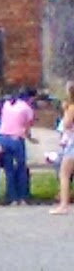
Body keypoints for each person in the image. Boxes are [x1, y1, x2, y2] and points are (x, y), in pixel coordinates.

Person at [0, 89, 35, 206]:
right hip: (17, 139)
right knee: (21, 168)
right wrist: (31, 138)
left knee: (9, 169)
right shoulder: (27, 109)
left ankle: (12, 197)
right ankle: (23, 196)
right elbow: (27, 128)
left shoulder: (7, 104)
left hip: (3, 138)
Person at [51, 83, 74, 215]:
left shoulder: (71, 108)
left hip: (72, 144)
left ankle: (63, 205)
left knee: (64, 174)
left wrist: (65, 111)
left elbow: (66, 124)